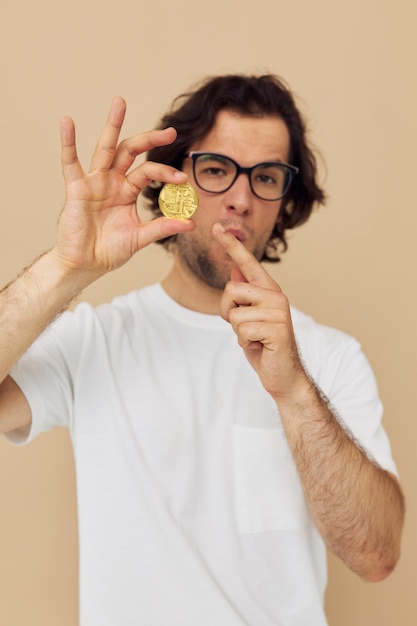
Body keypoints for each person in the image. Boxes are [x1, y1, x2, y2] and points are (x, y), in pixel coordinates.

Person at [0, 74, 405, 626]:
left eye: (265, 178)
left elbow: (377, 555)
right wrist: (66, 266)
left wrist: (295, 395)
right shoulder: (96, 339)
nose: (239, 199)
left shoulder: (331, 358)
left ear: (283, 205)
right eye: (216, 170)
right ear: (174, 186)